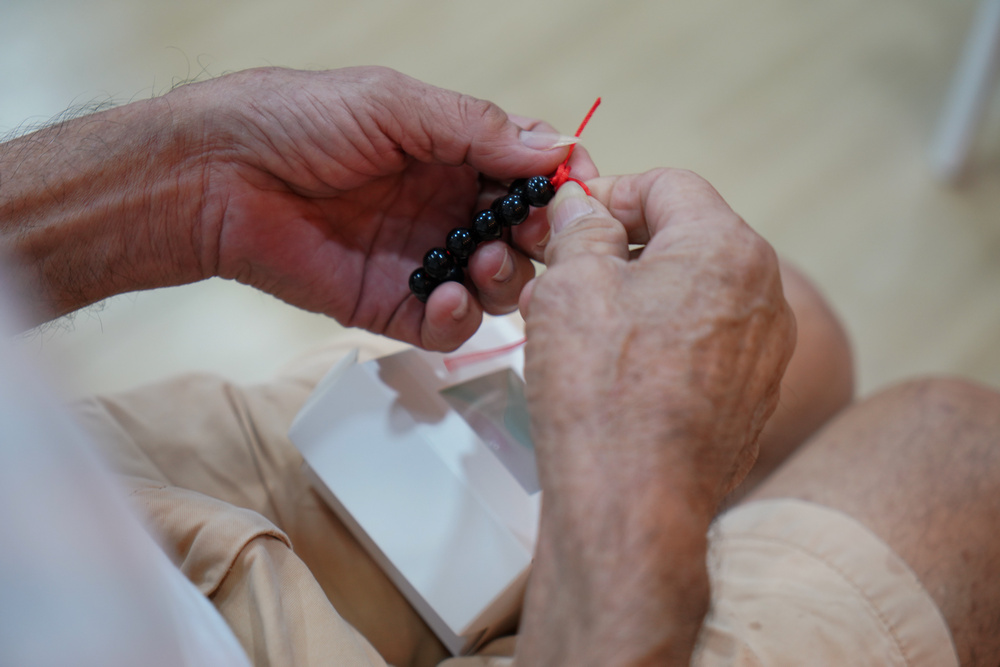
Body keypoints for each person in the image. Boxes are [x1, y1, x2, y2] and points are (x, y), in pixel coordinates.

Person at [0, 65, 996, 666]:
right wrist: (630, 497)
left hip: (81, 509)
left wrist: (192, 177)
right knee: (964, 455)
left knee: (799, 330)